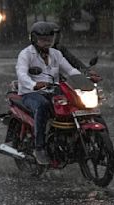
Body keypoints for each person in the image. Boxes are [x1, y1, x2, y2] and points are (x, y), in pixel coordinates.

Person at [16, 21, 81, 164]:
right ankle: (39, 147)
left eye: (49, 39)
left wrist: (84, 78)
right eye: (43, 40)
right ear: (34, 39)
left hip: (53, 90)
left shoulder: (56, 54)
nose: (47, 43)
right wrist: (34, 84)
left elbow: (70, 70)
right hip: (30, 93)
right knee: (42, 105)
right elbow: (21, 74)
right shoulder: (26, 54)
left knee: (74, 104)